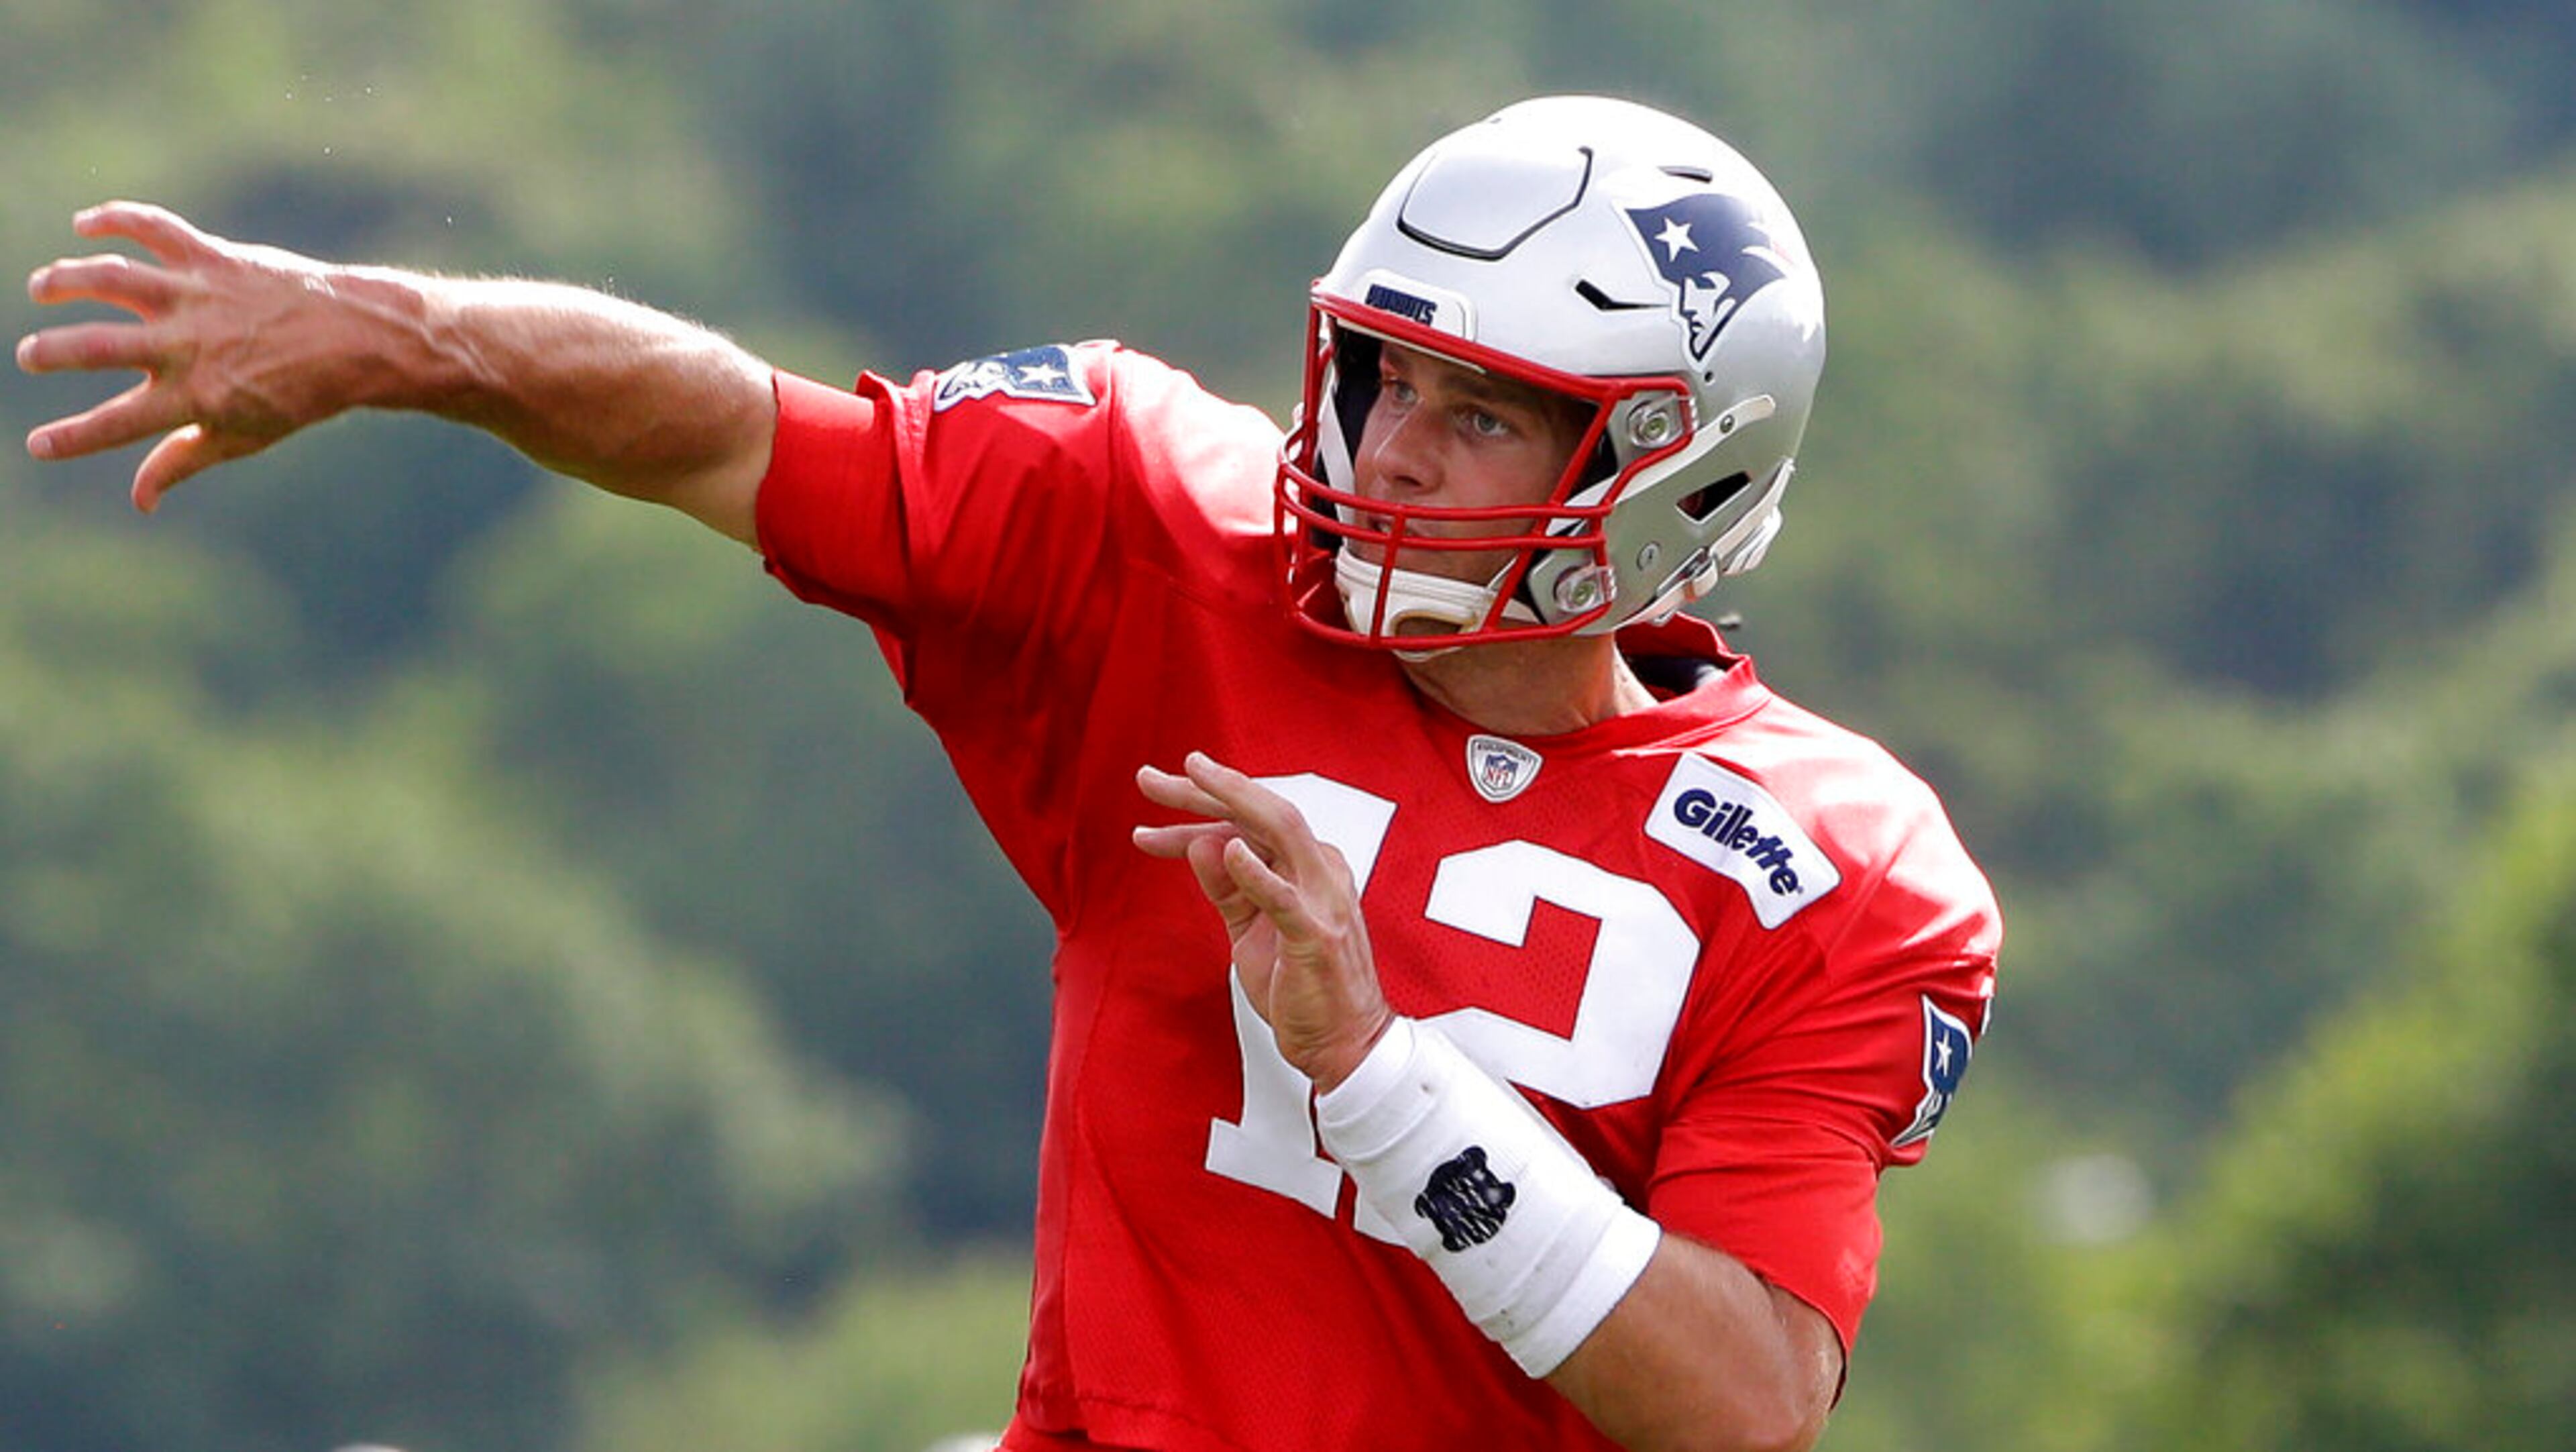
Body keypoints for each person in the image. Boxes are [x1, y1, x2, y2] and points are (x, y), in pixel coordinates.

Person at [20, 96, 2000, 1452]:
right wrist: (397, 332)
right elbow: (737, 434)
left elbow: (1747, 1397)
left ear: (1681, 477)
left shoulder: (1833, 863)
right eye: (1384, 373)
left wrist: (1382, 1075)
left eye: (1484, 414)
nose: (1390, 448)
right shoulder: (1162, 531)